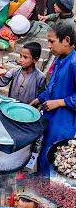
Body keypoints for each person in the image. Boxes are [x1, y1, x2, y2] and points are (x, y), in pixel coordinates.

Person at [30, 22, 76, 176]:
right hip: (50, 117)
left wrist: (60, 102)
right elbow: (53, 86)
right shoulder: (59, 59)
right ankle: (39, 188)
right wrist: (40, 98)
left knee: (53, 157)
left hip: (64, 122)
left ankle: (48, 193)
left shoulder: (74, 63)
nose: (49, 46)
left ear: (66, 40)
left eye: (52, 41)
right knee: (44, 152)